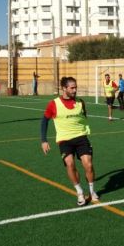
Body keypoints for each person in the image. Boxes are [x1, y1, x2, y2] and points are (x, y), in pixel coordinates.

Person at [41, 76, 99, 207]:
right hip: (64, 140)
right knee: (70, 164)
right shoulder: (53, 104)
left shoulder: (81, 102)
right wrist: (44, 140)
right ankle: (79, 192)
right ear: (64, 88)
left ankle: (92, 191)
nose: (75, 90)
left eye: (75, 87)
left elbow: (84, 117)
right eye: (72, 88)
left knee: (88, 165)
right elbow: (44, 120)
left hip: (81, 137)